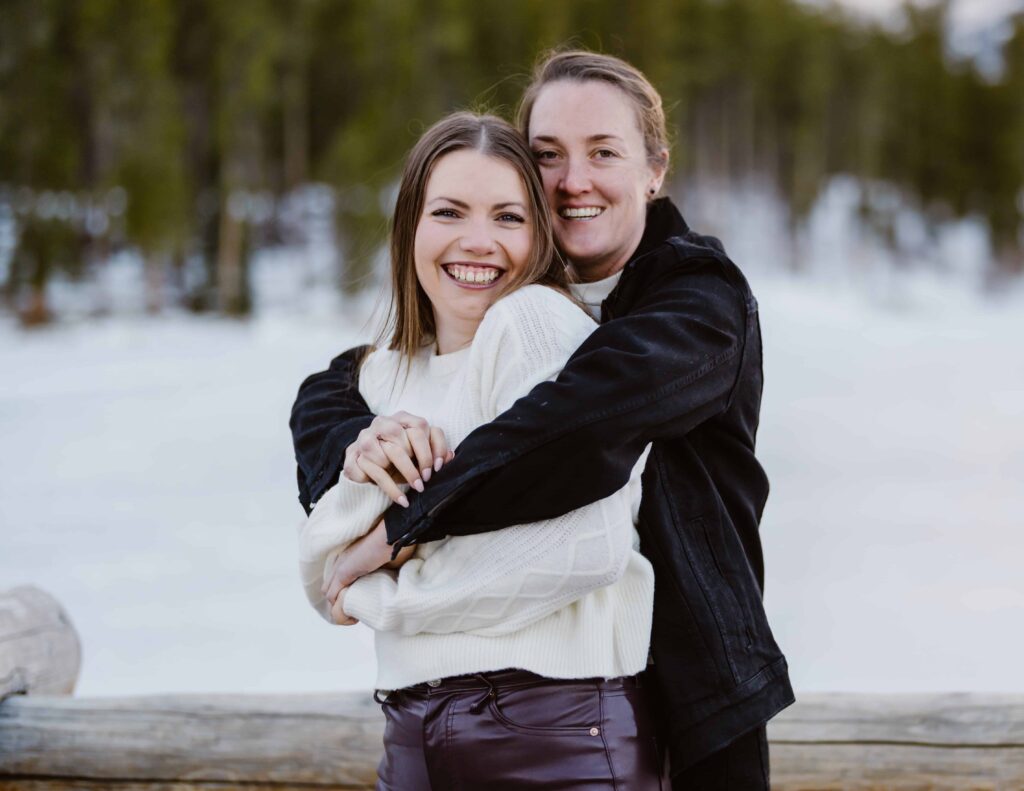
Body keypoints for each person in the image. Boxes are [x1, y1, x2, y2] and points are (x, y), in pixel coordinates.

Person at [291, 50, 794, 789]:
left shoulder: (695, 302)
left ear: (655, 170)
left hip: (689, 695)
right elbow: (334, 387)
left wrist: (399, 531)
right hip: (517, 705)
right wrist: (358, 438)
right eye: (548, 155)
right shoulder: (493, 319)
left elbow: (576, 431)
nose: (573, 180)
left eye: (603, 152)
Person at [297, 111, 664, 789]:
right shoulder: (379, 378)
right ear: (410, 225)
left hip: (555, 735)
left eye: (508, 217)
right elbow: (322, 564)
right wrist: (364, 466)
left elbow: (580, 548)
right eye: (449, 212)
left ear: (540, 237)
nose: (478, 242)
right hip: (411, 738)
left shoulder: (535, 325)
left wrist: (388, 591)